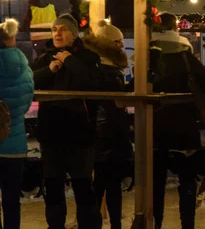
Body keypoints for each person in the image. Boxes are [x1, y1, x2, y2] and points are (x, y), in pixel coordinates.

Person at [31, 13, 102, 229]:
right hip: (51, 134)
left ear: (73, 33)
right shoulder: (44, 58)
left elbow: (91, 82)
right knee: (53, 188)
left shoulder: (89, 58)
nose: (57, 33)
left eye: (62, 29)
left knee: (83, 187)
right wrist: (48, 70)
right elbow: (29, 82)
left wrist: (68, 60)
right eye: (54, 30)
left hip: (79, 134)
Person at [150, 13, 205, 229]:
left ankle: (156, 222)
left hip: (156, 126)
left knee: (156, 181)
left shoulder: (149, 55)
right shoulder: (185, 54)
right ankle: (187, 224)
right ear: (175, 29)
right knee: (187, 179)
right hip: (184, 127)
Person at [83, 21, 132, 229]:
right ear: (109, 45)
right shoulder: (108, 69)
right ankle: (113, 225)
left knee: (102, 186)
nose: (122, 46)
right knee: (108, 186)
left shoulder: (97, 65)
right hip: (109, 135)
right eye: (118, 42)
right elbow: (117, 102)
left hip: (100, 135)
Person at [0, 19, 34, 229]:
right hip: (14, 145)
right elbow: (27, 101)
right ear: (11, 37)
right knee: (12, 200)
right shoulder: (23, 65)